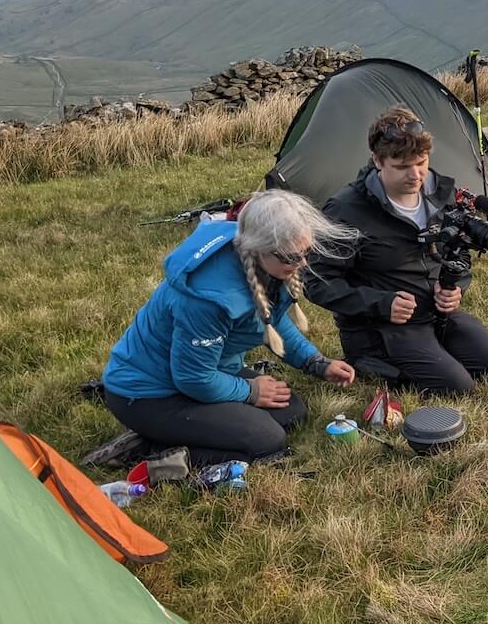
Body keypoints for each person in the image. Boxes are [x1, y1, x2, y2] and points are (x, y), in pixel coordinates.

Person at [102, 190, 358, 466]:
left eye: (306, 253)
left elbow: (271, 320)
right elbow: (192, 378)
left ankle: (179, 435)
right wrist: (251, 391)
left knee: (291, 413)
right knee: (265, 442)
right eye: (291, 257)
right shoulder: (209, 298)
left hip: (208, 370)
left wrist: (316, 363)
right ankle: (147, 450)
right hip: (148, 393)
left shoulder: (264, 263)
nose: (302, 264)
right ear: (258, 247)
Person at [304, 106, 488, 395]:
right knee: (456, 387)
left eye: (422, 163)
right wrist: (382, 303)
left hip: (438, 316)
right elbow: (317, 283)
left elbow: (458, 251)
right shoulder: (346, 210)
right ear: (378, 160)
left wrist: (456, 289)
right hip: (382, 327)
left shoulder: (441, 193)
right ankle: (370, 360)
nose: (415, 175)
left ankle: (435, 348)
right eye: (402, 167)